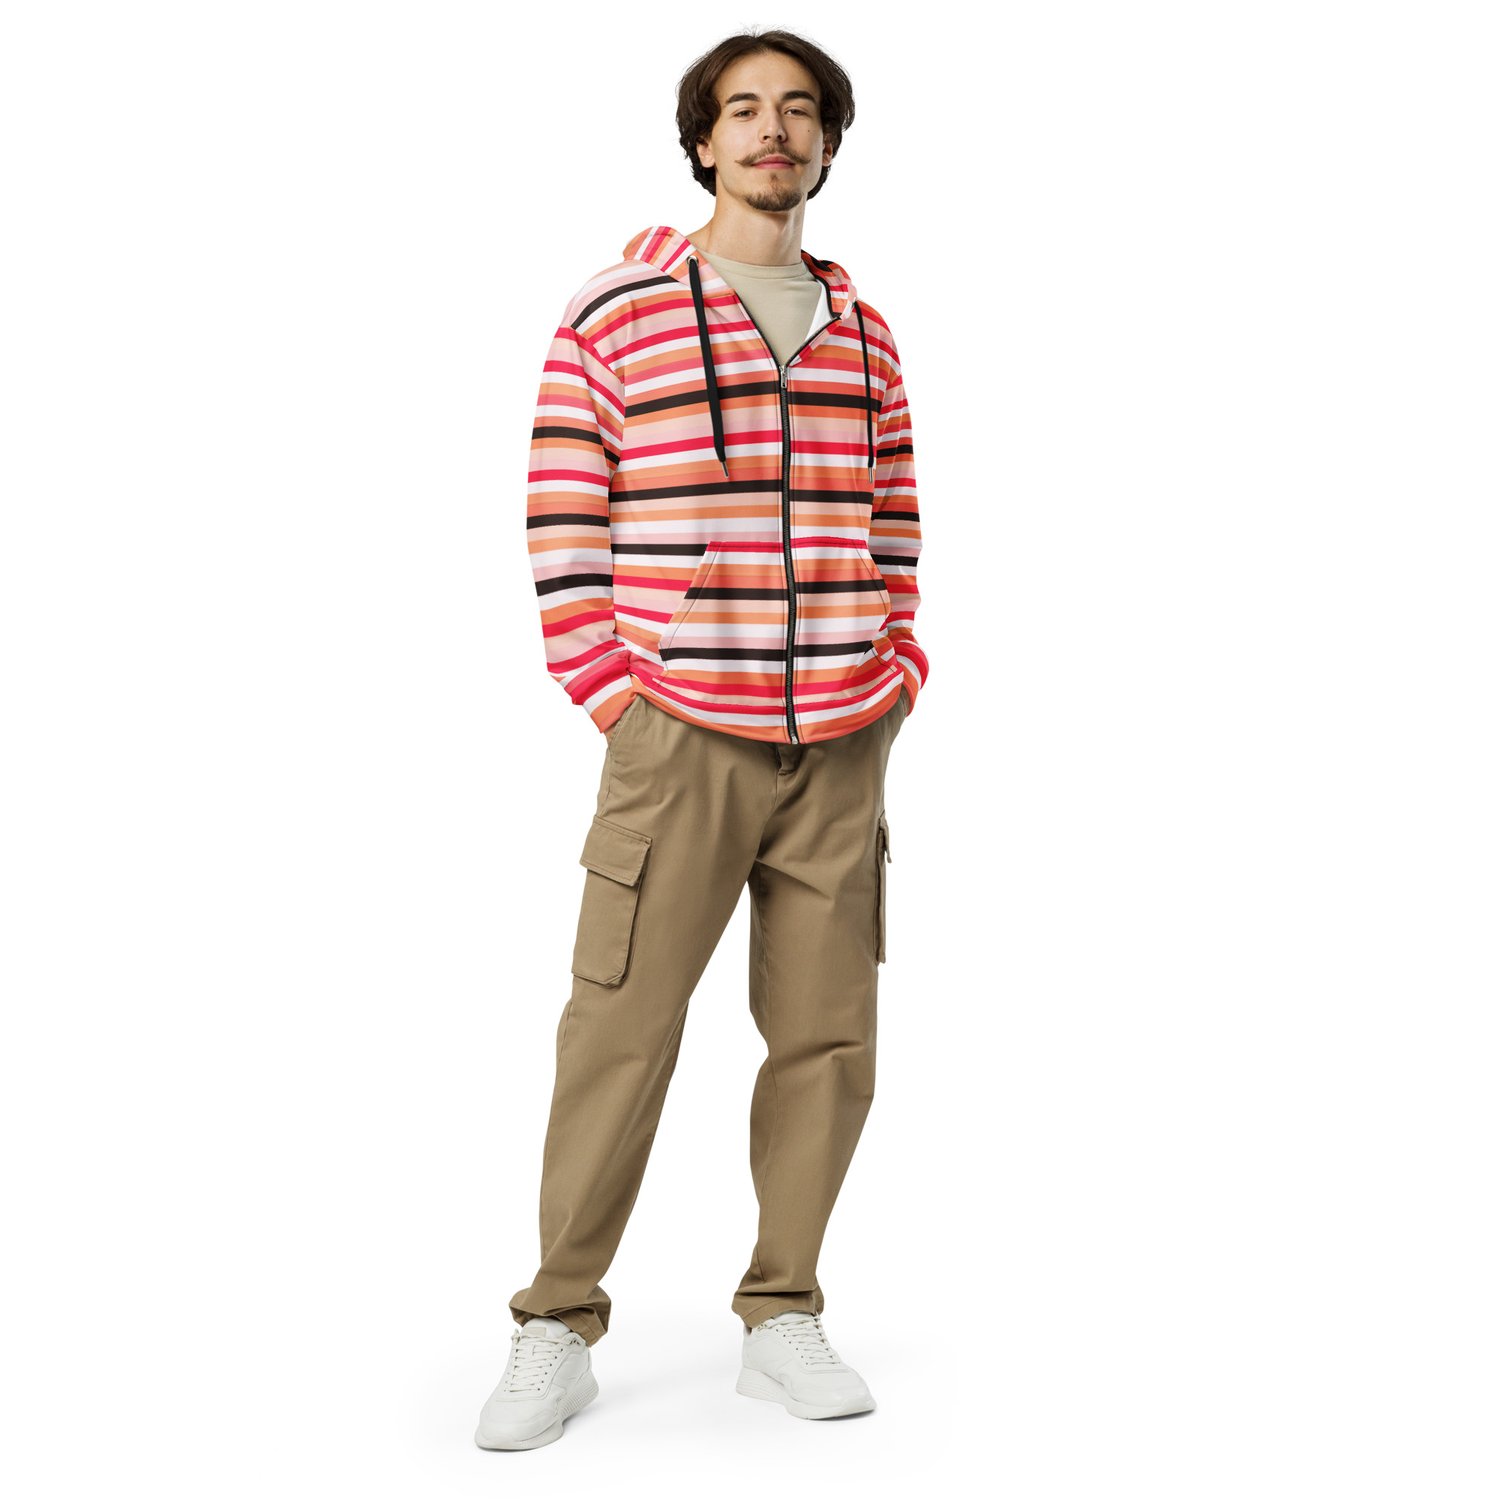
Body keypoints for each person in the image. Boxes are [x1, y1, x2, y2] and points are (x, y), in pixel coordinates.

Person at [477, 27, 929, 1450]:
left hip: (842, 737)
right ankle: (556, 1323)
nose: (771, 131)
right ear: (703, 143)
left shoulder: (865, 333)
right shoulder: (617, 310)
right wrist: (615, 690)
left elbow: (896, 518)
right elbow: (563, 509)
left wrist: (898, 667)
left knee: (828, 1038)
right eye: (743, 111)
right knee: (619, 1030)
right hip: (678, 736)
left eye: (798, 111)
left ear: (828, 145)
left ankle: (782, 1308)